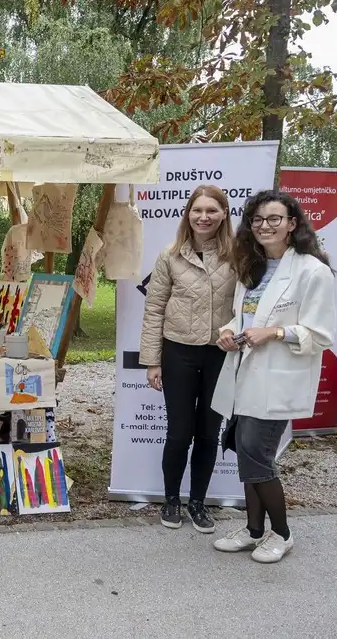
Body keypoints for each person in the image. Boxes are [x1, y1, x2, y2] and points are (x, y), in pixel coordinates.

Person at [212, 190, 335, 564]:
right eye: (258, 219)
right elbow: (246, 316)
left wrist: (276, 334)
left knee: (256, 456)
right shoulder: (254, 266)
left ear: (292, 224)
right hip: (245, 372)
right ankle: (252, 531)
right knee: (246, 452)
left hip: (278, 377)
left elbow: (321, 334)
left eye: (274, 219)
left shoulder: (312, 271)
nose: (265, 226)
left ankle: (281, 533)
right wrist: (228, 331)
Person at [140, 185, 237, 533]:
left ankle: (198, 502)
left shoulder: (238, 255)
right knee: (179, 433)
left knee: (209, 434)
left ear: (224, 214)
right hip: (178, 352)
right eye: (197, 210)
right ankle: (171, 500)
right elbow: (154, 308)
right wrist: (152, 361)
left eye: (212, 210)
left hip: (219, 356)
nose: (204, 217)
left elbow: (248, 304)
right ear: (188, 214)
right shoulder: (171, 256)